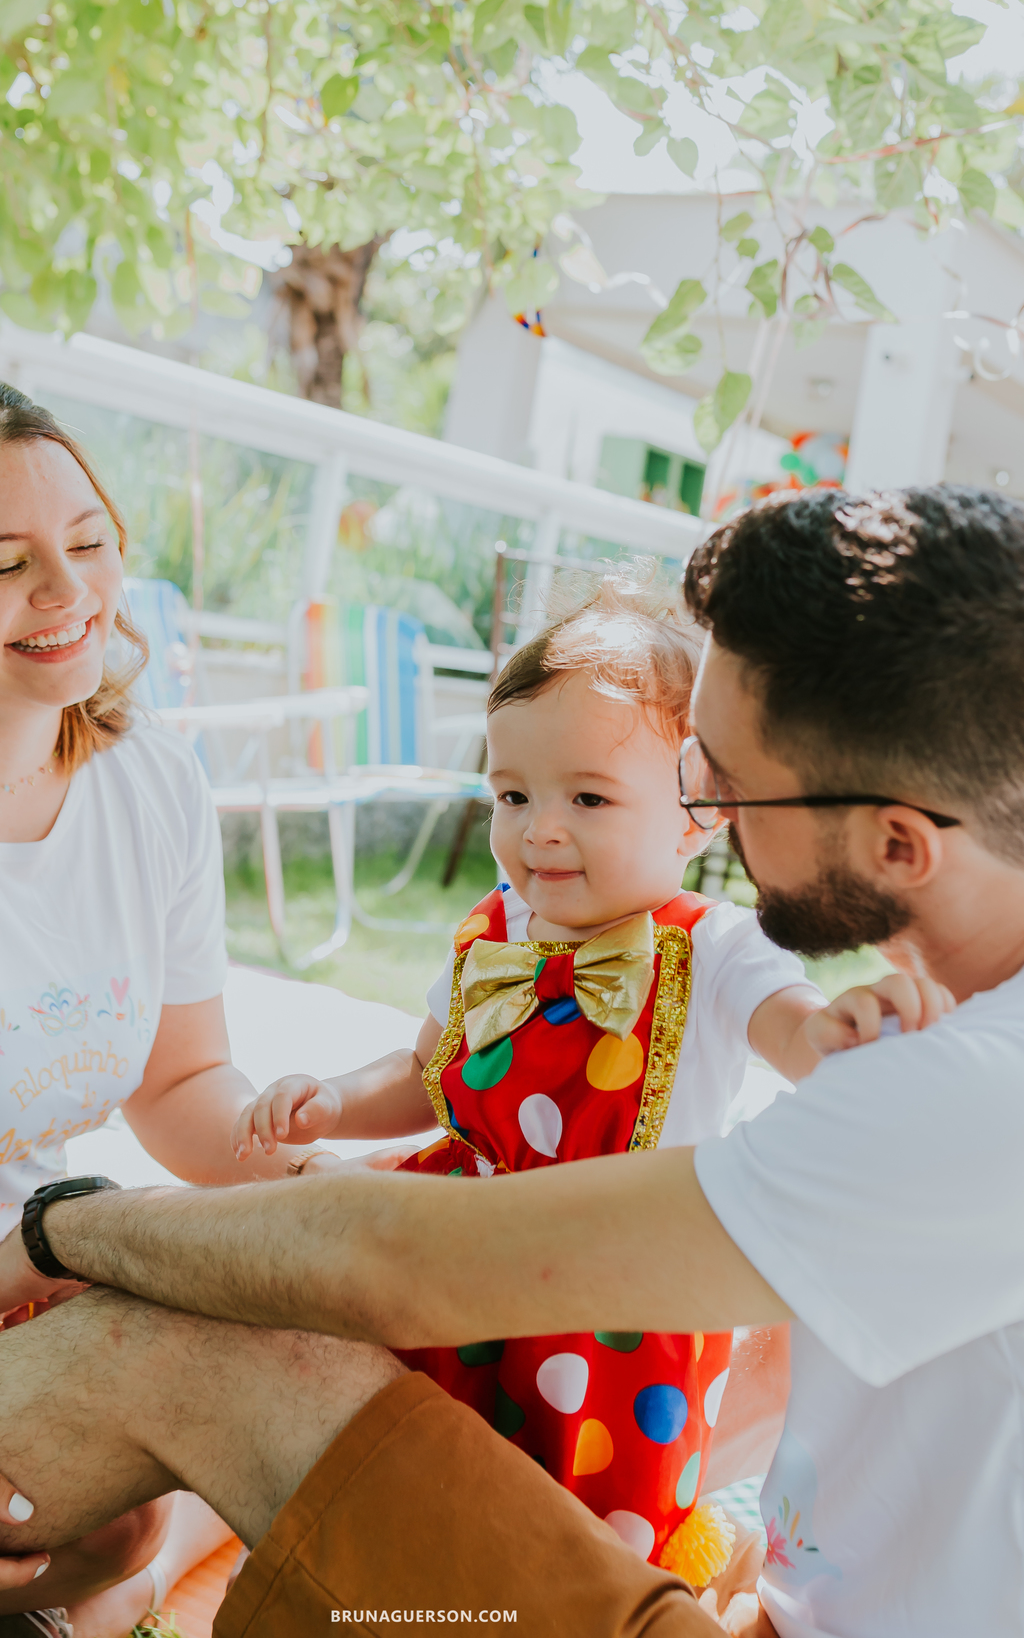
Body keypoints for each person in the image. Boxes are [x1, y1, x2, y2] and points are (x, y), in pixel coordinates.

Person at [0, 482, 1024, 1638]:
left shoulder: (956, 1096)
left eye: (723, 782)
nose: (702, 805)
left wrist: (66, 1229)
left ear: (898, 842)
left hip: (610, 1445)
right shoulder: (942, 1058)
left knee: (193, 1345)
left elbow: (391, 1262)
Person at [231, 574, 941, 1589]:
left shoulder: (718, 950)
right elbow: (426, 1071)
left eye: (588, 798)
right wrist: (335, 1101)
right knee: (422, 1468)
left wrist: (850, 1031)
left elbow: (798, 1036)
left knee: (578, 1539)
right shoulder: (494, 926)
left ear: (701, 815)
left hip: (615, 1313)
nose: (539, 830)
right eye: (512, 794)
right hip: (458, 1259)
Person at [0, 372, 329, 1635]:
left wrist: (324, 1187)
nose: (69, 593)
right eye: (2, 564)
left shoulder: (149, 780)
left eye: (90, 543)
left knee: (263, 1382)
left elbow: (177, 1086)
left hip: (20, 1288)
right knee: (85, 1514)